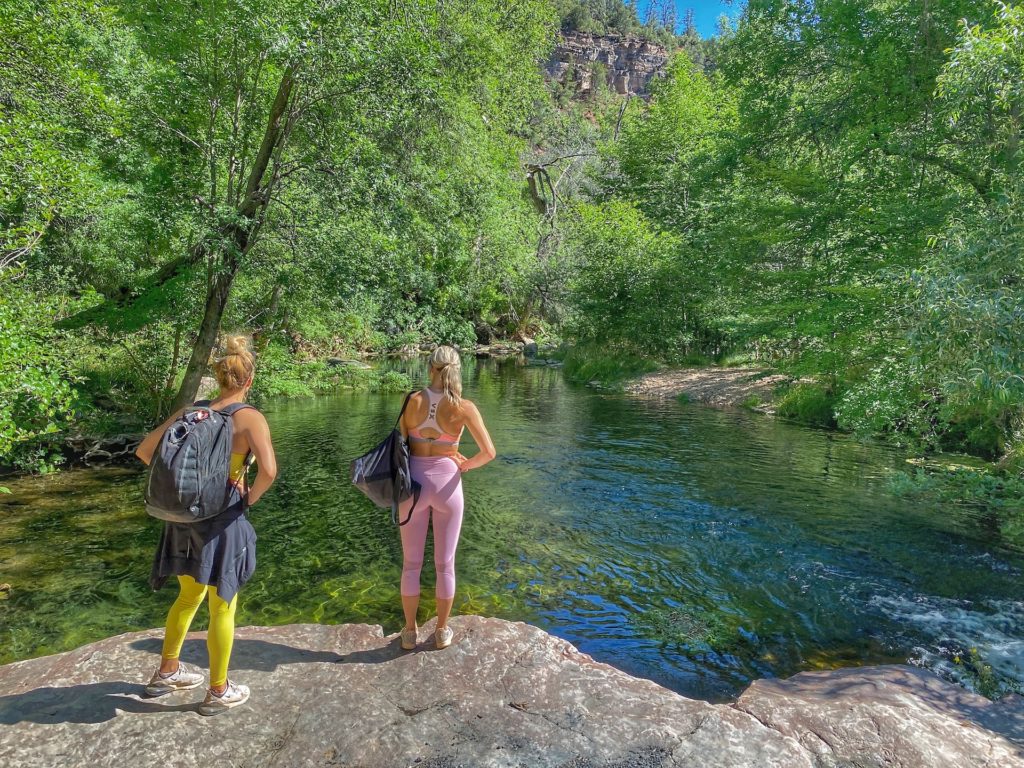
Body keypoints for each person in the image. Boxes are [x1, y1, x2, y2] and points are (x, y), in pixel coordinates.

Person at [135, 335, 277, 715]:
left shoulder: (189, 413)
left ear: (218, 377)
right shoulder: (249, 418)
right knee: (222, 606)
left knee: (188, 596)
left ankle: (167, 670)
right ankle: (218, 690)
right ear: (248, 379)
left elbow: (145, 452)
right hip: (222, 522)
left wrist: (186, 485)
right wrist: (246, 498)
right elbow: (269, 472)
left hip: (183, 518)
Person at [397, 345, 496, 650]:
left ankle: (410, 633)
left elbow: (399, 445)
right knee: (445, 564)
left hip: (411, 484)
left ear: (430, 368)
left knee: (411, 564)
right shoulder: (465, 407)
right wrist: (462, 464)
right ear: (458, 369)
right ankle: (441, 632)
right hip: (447, 485)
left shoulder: (412, 400)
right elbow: (489, 453)